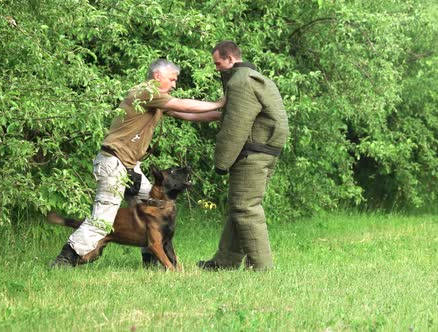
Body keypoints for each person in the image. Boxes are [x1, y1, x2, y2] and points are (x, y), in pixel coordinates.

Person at [51, 59, 224, 267]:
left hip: (130, 166)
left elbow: (186, 114)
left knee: (153, 204)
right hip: (113, 163)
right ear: (157, 76)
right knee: (103, 220)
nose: (174, 85)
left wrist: (221, 115)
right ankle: (65, 258)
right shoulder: (144, 92)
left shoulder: (155, 100)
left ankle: (151, 258)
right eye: (172, 80)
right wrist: (219, 103)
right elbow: (180, 104)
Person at [197, 41, 289, 271]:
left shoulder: (241, 82)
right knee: (240, 205)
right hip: (265, 150)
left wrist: (221, 162)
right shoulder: (257, 78)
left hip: (253, 151)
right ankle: (224, 261)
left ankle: (261, 267)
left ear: (230, 59)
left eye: (218, 63)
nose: (217, 68)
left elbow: (235, 125)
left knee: (246, 208)